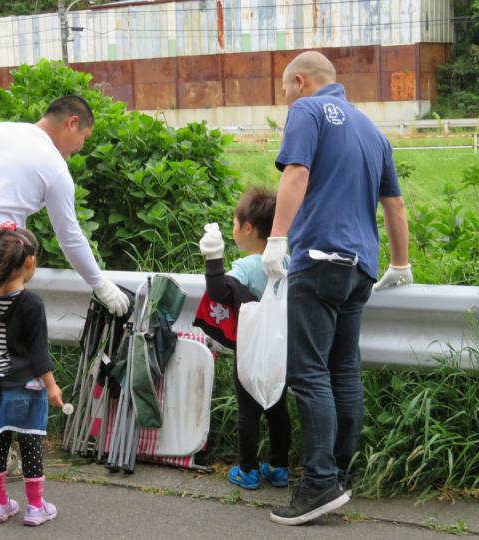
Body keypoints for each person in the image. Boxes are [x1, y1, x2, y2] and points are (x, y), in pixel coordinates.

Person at [0, 95, 130, 483]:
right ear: (72, 123)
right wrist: (100, 284)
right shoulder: (53, 165)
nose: (79, 148)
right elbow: (69, 236)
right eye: (84, 138)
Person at [261, 51, 412, 526]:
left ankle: (319, 482)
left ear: (300, 81)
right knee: (344, 371)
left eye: (285, 90)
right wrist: (401, 263)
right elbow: (394, 205)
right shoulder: (372, 130)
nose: (286, 100)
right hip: (360, 268)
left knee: (308, 374)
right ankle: (339, 477)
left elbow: (297, 172)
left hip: (319, 258)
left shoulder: (306, 109)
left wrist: (276, 239)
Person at [0, 222, 61, 526]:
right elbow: (39, 353)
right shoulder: (31, 303)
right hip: (25, 388)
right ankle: (35, 508)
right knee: (30, 445)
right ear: (30, 262)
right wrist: (52, 387)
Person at [198, 187, 292, 491]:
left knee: (248, 411)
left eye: (234, 224)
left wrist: (213, 258)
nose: (233, 230)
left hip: (250, 349)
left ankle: (248, 469)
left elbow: (219, 293)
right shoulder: (287, 262)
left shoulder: (248, 266)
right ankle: (279, 467)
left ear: (248, 228)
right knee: (277, 406)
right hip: (280, 348)